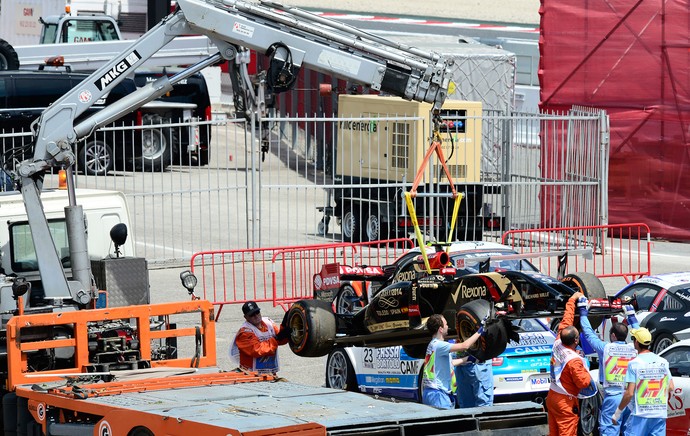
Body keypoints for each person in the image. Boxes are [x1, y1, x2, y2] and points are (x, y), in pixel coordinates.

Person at [578, 298, 639, 436]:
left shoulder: (605, 348)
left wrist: (582, 312)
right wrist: (632, 317)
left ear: (612, 335)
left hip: (613, 397)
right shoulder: (634, 349)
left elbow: (588, 333)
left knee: (609, 431)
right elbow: (642, 336)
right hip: (631, 397)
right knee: (628, 432)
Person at [546, 292, 594, 436]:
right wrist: (584, 363)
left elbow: (567, 319)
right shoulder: (574, 360)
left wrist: (572, 299)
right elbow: (583, 382)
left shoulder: (558, 341)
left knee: (554, 433)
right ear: (576, 341)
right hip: (565, 402)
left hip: (553, 396)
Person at [612, 327, 674, 436]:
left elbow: (629, 393)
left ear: (636, 342)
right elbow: (671, 387)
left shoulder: (634, 364)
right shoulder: (663, 362)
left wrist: (617, 413)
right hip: (659, 414)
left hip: (640, 414)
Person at [422, 313, 485, 410]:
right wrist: (480, 331)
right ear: (440, 329)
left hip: (432, 393)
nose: (448, 326)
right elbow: (464, 346)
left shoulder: (433, 345)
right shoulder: (439, 345)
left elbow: (450, 364)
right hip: (438, 395)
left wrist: (468, 359)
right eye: (446, 324)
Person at [229, 301, 291, 375]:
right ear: (245, 317)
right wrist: (277, 339)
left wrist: (285, 327)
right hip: (250, 375)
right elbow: (257, 349)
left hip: (269, 373)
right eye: (252, 314)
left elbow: (280, 341)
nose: (256, 316)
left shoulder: (269, 323)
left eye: (257, 312)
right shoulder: (244, 332)